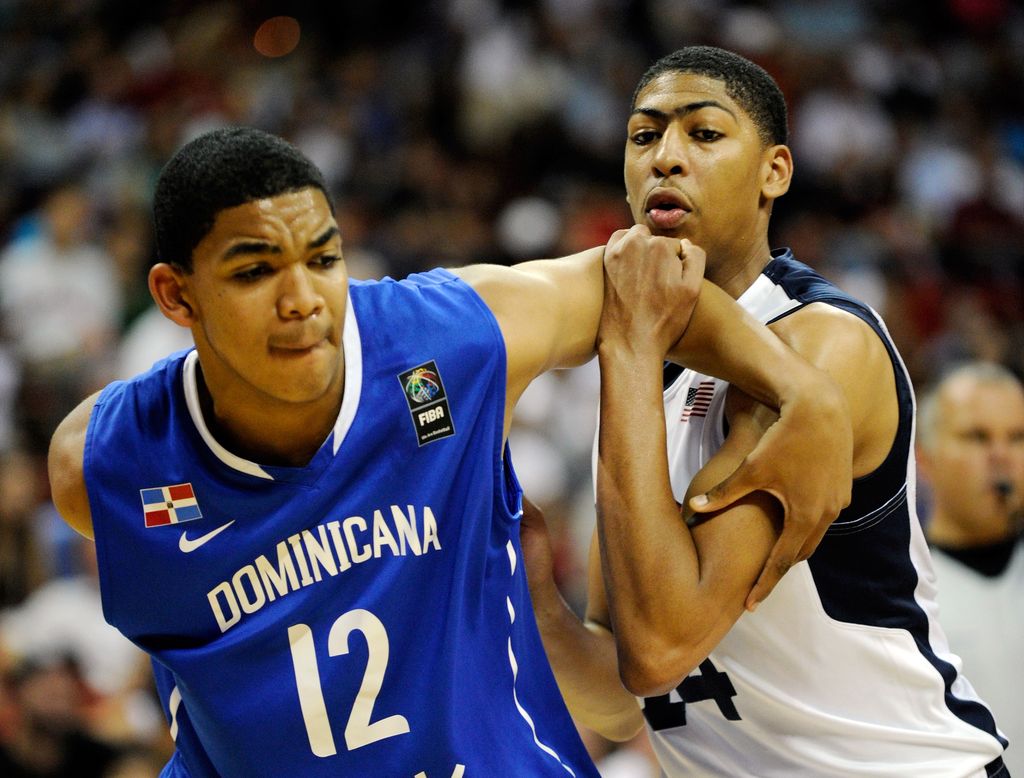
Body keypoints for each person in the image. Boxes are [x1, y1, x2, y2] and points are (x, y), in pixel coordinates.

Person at [47, 126, 851, 776]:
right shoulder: (102, 467)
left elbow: (640, 276)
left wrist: (801, 389)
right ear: (175, 295)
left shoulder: (443, 338)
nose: (302, 301)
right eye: (256, 270)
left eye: (323, 259)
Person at [524, 46, 1010, 776]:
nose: (666, 158)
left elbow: (660, 648)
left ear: (774, 172)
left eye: (704, 133)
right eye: (644, 135)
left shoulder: (819, 344)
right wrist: (534, 600)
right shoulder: (643, 370)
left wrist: (624, 345)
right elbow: (624, 696)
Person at [917, 362, 1024, 776]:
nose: (1001, 455)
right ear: (924, 458)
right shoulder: (898, 592)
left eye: (1017, 437)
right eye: (977, 437)